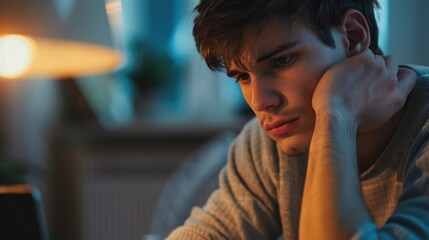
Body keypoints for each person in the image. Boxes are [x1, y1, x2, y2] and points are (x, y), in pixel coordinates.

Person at [167, 0, 429, 239]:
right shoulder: (268, 142)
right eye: (243, 78)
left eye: (282, 61)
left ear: (353, 36)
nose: (259, 102)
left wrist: (335, 113)